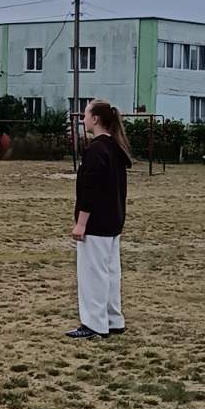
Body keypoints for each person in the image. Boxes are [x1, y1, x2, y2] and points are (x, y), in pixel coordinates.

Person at [68, 99, 133, 340]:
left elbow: (90, 189)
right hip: (113, 221)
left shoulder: (96, 150)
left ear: (95, 119)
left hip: (96, 223)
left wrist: (81, 222)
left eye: (86, 115)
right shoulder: (115, 148)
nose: (83, 119)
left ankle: (94, 324)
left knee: (92, 274)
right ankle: (113, 319)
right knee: (111, 273)